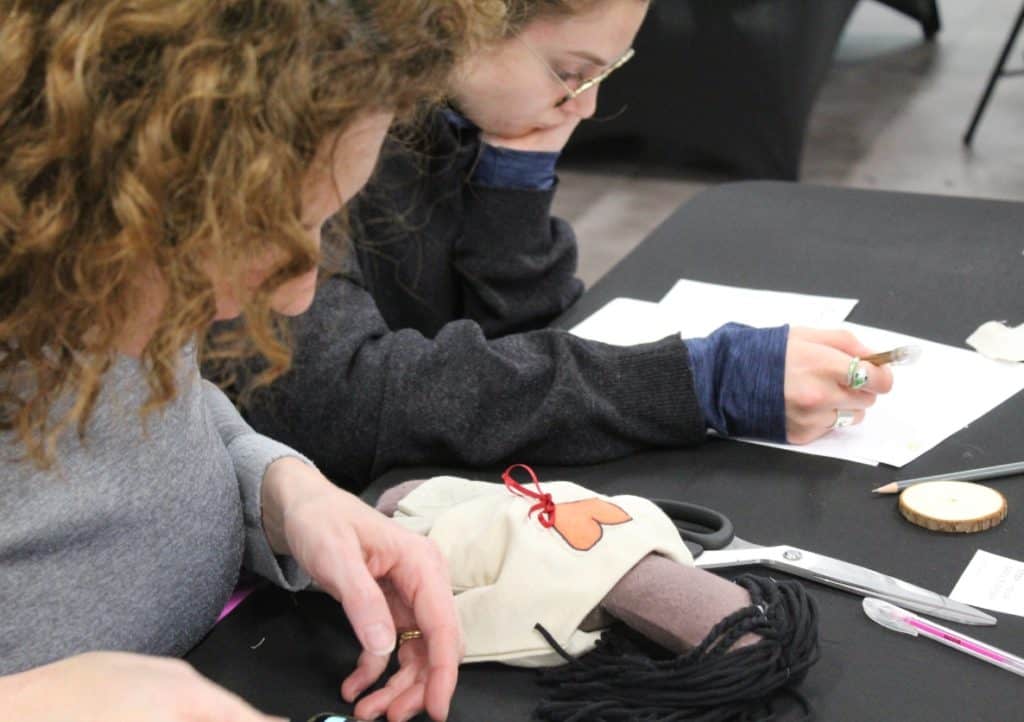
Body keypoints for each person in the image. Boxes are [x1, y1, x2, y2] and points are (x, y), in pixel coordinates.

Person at [0, 1, 503, 721]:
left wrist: (277, 491)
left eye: (319, 225)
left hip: (233, 648)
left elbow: (154, 400)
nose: (299, 300)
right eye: (270, 232)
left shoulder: (109, 263)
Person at [239, 0, 895, 491]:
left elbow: (523, 337)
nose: (585, 106)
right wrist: (692, 383)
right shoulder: (308, 132)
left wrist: (513, 183)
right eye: (571, 71)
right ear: (461, 16)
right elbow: (340, 406)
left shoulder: (456, 113)